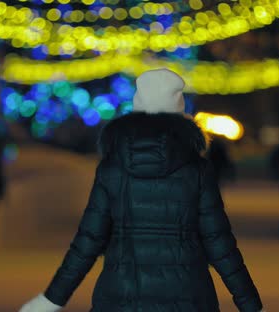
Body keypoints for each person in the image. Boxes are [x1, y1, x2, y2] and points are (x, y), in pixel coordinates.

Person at [19, 69, 263, 312]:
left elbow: (88, 242)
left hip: (120, 299)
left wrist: (50, 300)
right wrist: (251, 305)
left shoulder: (112, 169)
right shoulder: (197, 171)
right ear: (178, 109)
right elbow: (220, 244)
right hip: (188, 299)